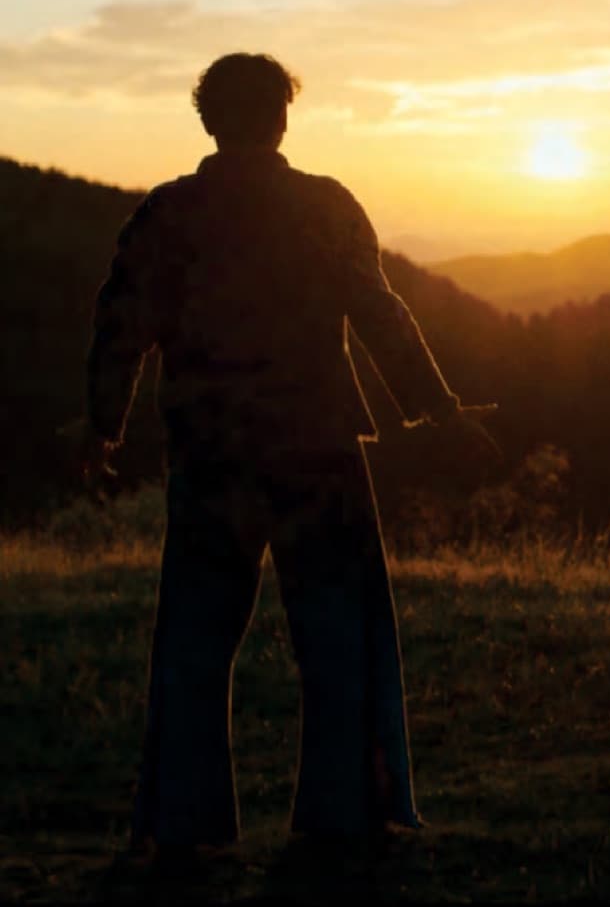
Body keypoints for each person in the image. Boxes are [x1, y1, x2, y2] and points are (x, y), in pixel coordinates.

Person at [73, 53, 500, 861]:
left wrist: (105, 427)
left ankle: (184, 820)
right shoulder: (323, 207)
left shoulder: (168, 214)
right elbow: (380, 311)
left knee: (196, 637)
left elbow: (119, 323)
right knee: (338, 630)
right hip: (317, 444)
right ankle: (345, 813)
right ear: (282, 119)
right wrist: (437, 408)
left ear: (207, 119)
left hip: (211, 449)